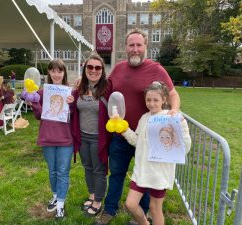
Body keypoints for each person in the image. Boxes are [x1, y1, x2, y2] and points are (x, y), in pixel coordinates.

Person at [95, 28, 181, 225]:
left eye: (138, 45)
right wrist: (82, 84)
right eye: (131, 45)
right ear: (126, 47)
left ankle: (143, 213)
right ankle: (109, 211)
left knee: (147, 178)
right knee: (116, 174)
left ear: (145, 47)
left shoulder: (156, 69)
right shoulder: (118, 68)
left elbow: (173, 94)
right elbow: (105, 91)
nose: (135, 49)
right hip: (121, 135)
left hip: (147, 138)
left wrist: (174, 112)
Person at [122, 82, 191, 225]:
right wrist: (124, 129)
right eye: (148, 100)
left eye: (156, 100)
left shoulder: (171, 118)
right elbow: (136, 140)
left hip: (160, 172)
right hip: (142, 170)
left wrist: (183, 127)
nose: (152, 104)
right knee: (131, 204)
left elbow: (185, 147)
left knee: (155, 208)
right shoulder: (144, 118)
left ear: (164, 100)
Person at [29, 59, 74, 218]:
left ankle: (61, 204)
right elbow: (37, 116)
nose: (56, 74)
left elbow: (75, 116)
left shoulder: (70, 93)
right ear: (48, 72)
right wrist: (33, 103)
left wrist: (72, 105)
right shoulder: (41, 93)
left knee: (63, 172)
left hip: (65, 139)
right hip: (48, 137)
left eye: (59, 71)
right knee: (52, 171)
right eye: (53, 71)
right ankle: (55, 196)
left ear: (64, 73)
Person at [71, 53, 111, 217]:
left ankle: (98, 201)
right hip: (82, 137)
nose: (93, 70)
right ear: (85, 69)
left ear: (102, 70)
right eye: (90, 67)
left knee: (99, 170)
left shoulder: (108, 89)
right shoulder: (80, 89)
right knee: (87, 168)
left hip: (98, 138)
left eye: (97, 67)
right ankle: (92, 195)